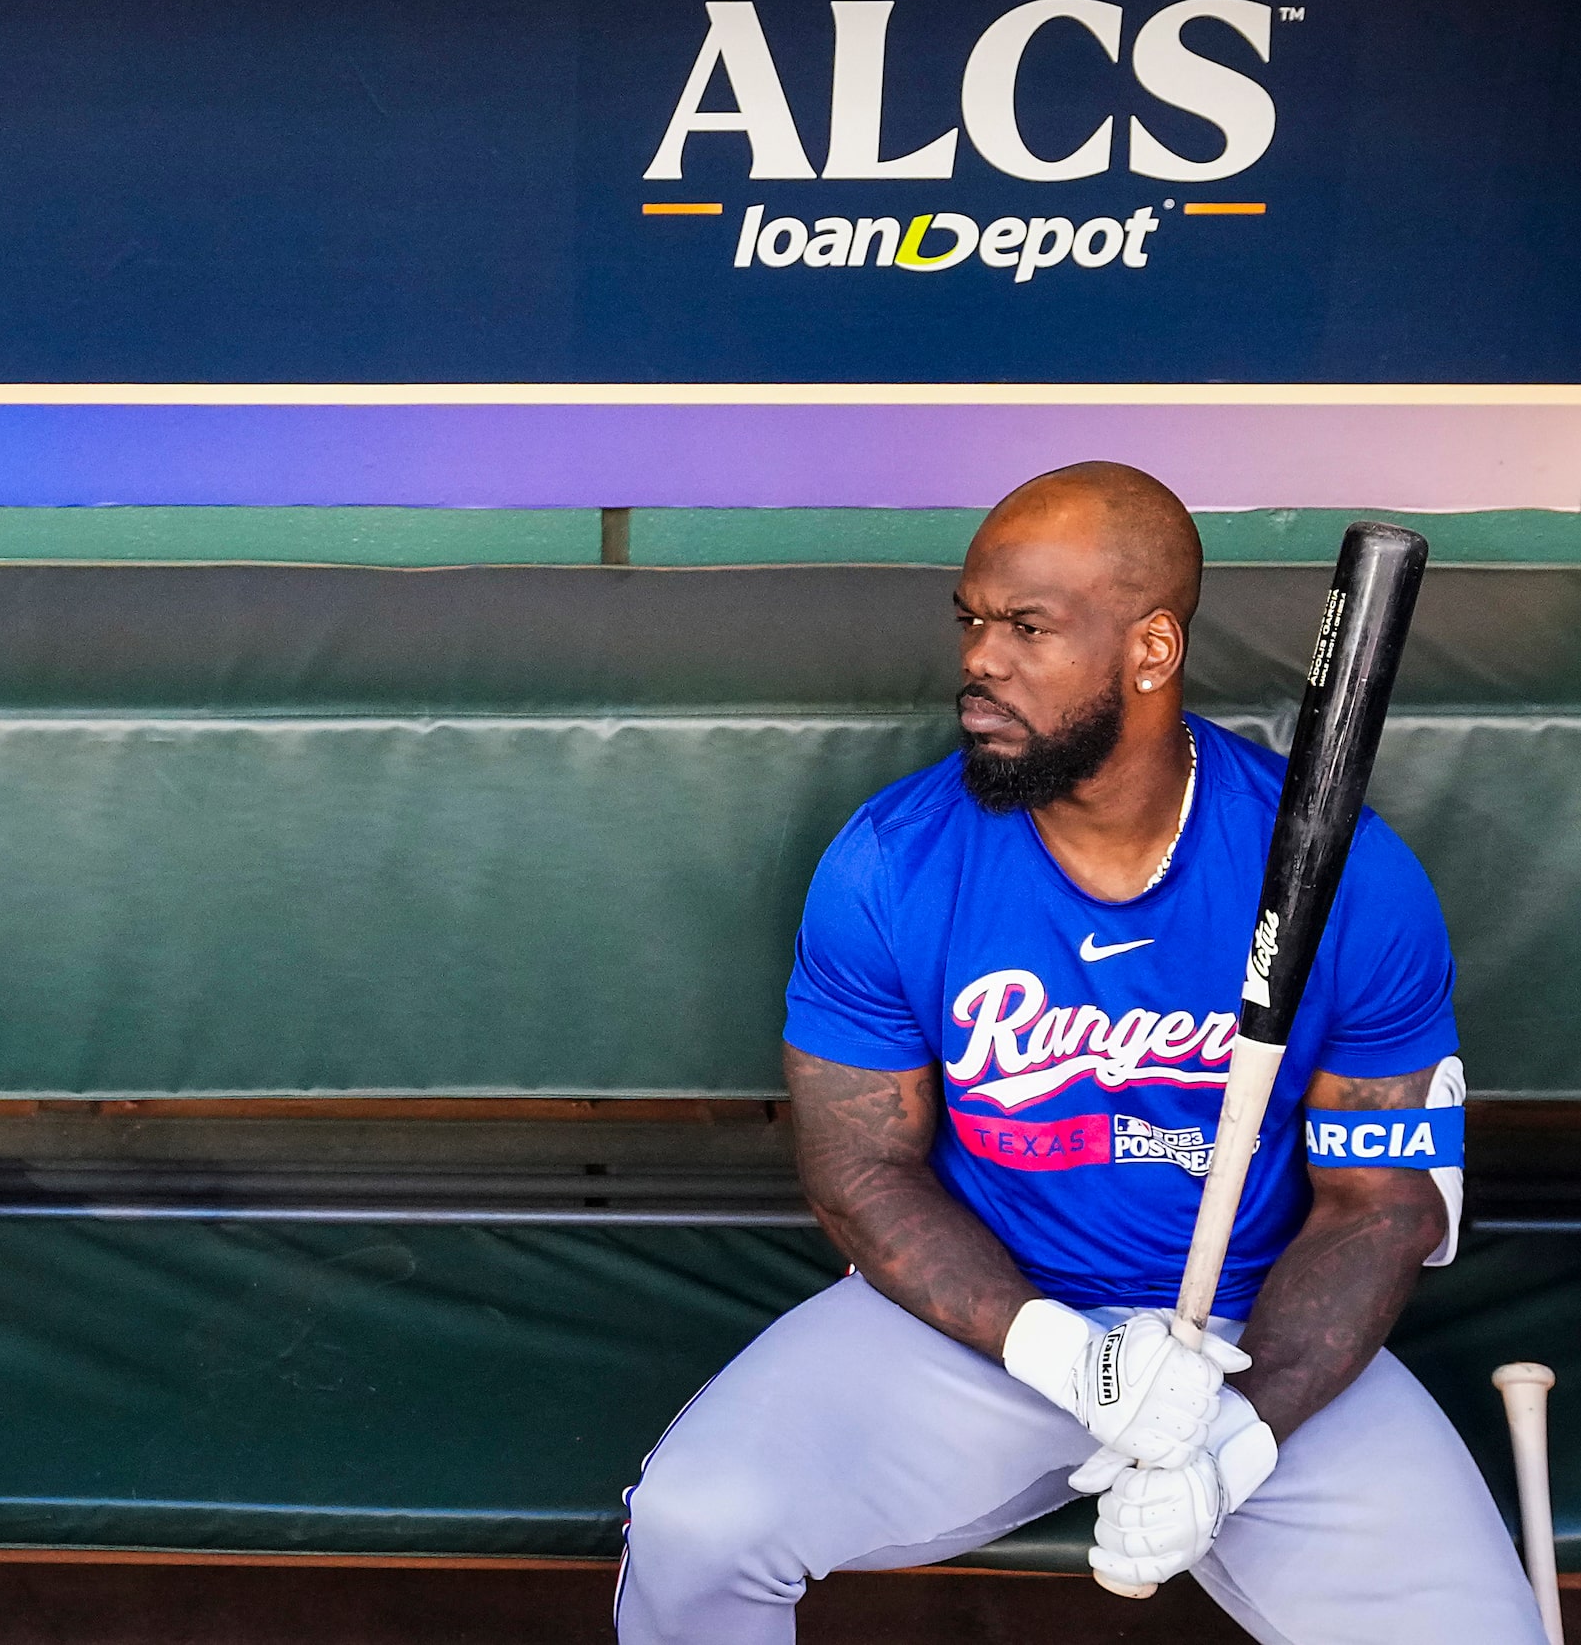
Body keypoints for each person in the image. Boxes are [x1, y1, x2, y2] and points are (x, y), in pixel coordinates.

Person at [615, 463, 1540, 1643]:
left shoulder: (1347, 874)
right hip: (980, 1326)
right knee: (699, 1524)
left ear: (1151, 650)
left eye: (1028, 628)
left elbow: (1381, 1205)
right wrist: (1064, 1353)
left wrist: (1241, 1431)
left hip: (1259, 1334)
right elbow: (860, 1172)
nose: (980, 662)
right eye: (973, 623)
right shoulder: (894, 862)